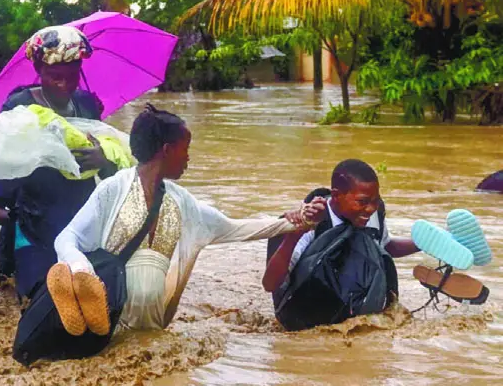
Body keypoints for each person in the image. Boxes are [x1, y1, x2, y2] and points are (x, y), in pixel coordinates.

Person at [48, 105, 325, 336]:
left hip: (153, 326)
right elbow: (67, 238)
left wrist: (297, 220)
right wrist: (79, 267)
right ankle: (82, 300)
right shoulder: (113, 189)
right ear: (167, 150)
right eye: (186, 148)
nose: (188, 157)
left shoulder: (183, 203)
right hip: (109, 319)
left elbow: (235, 228)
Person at [0, 24, 129, 298]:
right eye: (55, 76)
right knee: (38, 299)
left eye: (73, 76)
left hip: (82, 214)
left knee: (93, 296)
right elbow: (3, 166)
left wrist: (102, 157)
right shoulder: (19, 105)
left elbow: (112, 162)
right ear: (39, 70)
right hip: (34, 217)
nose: (64, 85)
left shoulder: (87, 104)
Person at [263, 159, 418, 331]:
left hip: (351, 308)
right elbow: (271, 284)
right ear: (336, 196)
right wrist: (295, 234)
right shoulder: (312, 219)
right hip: (305, 313)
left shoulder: (372, 213)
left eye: (376, 200)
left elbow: (384, 246)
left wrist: (422, 244)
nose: (370, 208)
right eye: (363, 201)